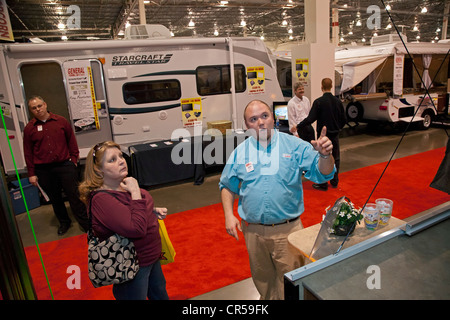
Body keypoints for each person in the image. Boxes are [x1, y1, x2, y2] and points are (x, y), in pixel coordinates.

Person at [219, 99, 335, 300]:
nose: (261, 122)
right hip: (253, 233)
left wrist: (325, 156)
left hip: (287, 231)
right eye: (253, 119)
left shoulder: (294, 145)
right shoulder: (240, 152)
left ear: (273, 118)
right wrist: (229, 215)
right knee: (263, 281)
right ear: (247, 126)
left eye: (264, 116)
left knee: (291, 285)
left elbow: (322, 174)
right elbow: (227, 186)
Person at [78, 141, 169, 300]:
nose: (121, 160)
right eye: (112, 160)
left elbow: (131, 212)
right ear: (98, 170)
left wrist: (151, 211)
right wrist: (136, 192)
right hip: (132, 265)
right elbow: (136, 228)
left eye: (120, 156)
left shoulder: (121, 187)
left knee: (159, 293)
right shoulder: (101, 199)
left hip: (150, 257)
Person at [23, 95, 88, 235]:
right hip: (44, 169)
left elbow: (72, 141)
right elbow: (28, 152)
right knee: (55, 198)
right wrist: (31, 174)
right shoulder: (29, 129)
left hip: (65, 166)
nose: (38, 109)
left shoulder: (61, 121)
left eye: (40, 106)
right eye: (34, 108)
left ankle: (85, 223)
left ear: (45, 104)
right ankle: (64, 223)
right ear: (31, 111)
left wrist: (74, 160)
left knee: (74, 196)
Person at [298, 78, 347, 191]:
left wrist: (299, 125)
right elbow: (344, 119)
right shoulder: (337, 101)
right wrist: (338, 127)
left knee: (323, 158)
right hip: (335, 134)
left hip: (323, 137)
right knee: (336, 157)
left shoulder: (318, 102)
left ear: (321, 87)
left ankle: (323, 183)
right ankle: (335, 181)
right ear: (331, 86)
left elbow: (310, 119)